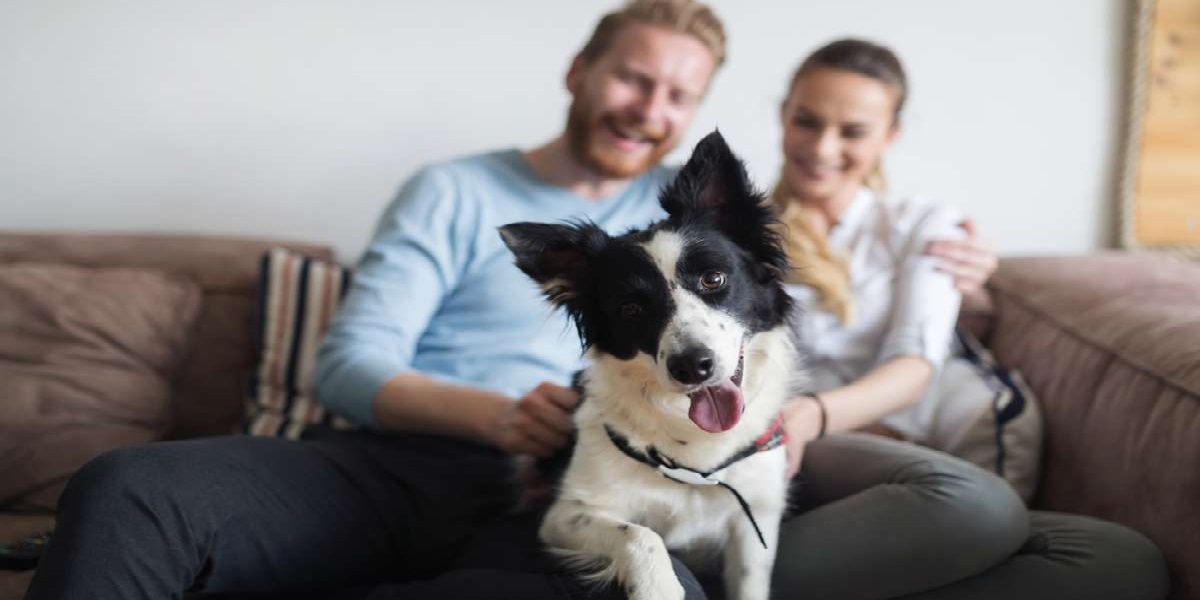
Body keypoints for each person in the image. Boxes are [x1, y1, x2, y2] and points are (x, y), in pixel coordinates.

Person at [21, 3, 1012, 600]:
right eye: (633, 77)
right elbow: (348, 362)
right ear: (580, 71)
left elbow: (791, 255)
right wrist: (498, 414)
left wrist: (961, 274)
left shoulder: (679, 222)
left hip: (572, 499)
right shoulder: (456, 189)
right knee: (128, 488)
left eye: (678, 97)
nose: (649, 110)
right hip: (393, 465)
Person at [763, 38, 1168, 599]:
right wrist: (803, 421)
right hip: (793, 447)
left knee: (1124, 560)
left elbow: (915, 366)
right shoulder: (738, 233)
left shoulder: (922, 224)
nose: (823, 147)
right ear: (783, 115)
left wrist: (818, 414)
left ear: (889, 138)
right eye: (806, 121)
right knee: (974, 505)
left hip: (848, 434)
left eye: (852, 131)